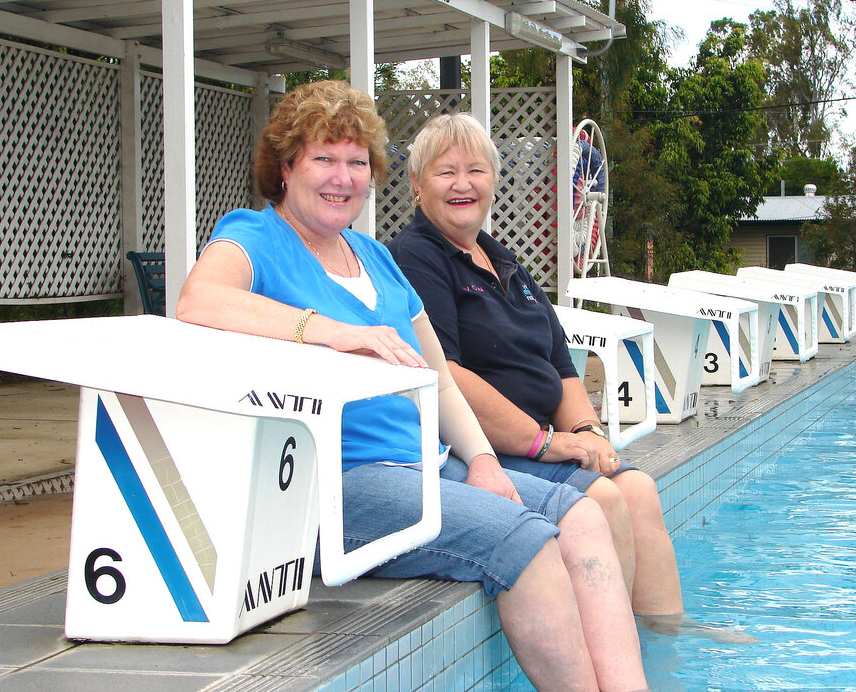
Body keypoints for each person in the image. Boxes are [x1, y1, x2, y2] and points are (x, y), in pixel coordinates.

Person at [176, 81, 649, 692]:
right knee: (528, 544)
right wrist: (328, 331)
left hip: (428, 467)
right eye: (323, 158)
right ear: (286, 166)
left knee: (583, 516)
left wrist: (481, 460)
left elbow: (439, 380)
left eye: (355, 162)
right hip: (334, 481)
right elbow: (197, 300)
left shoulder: (374, 257)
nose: (341, 177)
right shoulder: (256, 237)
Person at [388, 112, 685, 624]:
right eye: (445, 172)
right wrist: (547, 443)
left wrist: (589, 431)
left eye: (476, 170)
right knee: (607, 500)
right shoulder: (416, 259)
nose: (463, 184)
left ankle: (664, 639)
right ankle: (613, 649)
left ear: (493, 182)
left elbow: (560, 365)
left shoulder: (503, 260)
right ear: (417, 186)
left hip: (546, 439)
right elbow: (446, 374)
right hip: (484, 448)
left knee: (637, 488)